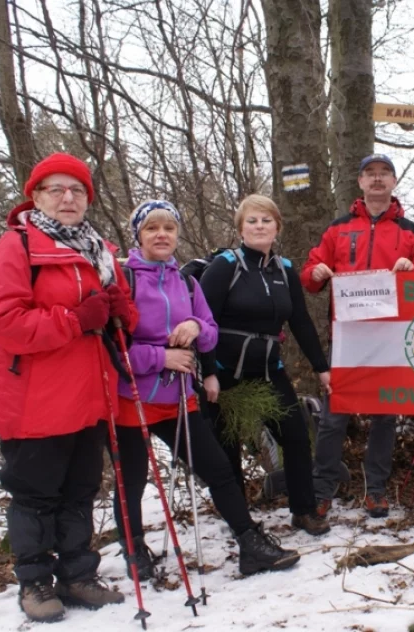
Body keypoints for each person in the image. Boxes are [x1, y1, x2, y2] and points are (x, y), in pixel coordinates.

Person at [0, 153, 133, 622]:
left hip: (89, 395)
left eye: (78, 190)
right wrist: (74, 319)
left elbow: (119, 313)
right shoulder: (17, 246)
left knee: (80, 489)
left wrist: (119, 313)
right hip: (34, 398)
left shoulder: (99, 251)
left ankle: (77, 574)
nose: (68, 198)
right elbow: (5, 322)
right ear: (37, 196)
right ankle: (34, 582)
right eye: (56, 190)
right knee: (35, 494)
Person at [112, 199, 300, 581]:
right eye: (152, 228)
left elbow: (211, 330)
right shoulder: (123, 281)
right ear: (139, 235)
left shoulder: (186, 281)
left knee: (218, 470)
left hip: (179, 398)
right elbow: (111, 347)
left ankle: (250, 543)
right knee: (130, 480)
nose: (162, 235)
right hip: (131, 398)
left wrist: (196, 328)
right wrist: (159, 357)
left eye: (169, 228)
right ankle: (134, 551)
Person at [301, 154, 414, 519]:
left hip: (391, 338)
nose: (377, 180)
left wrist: (412, 271)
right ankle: (322, 488)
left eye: (384, 174)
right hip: (347, 336)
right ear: (359, 182)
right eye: (370, 174)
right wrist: (319, 272)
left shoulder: (409, 231)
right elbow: (310, 274)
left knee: (385, 416)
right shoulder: (338, 228)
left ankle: (375, 488)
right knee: (333, 416)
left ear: (393, 182)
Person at [199, 194, 332, 536]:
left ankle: (303, 510)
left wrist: (321, 366)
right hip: (225, 373)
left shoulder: (284, 270)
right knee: (227, 446)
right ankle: (239, 520)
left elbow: (300, 320)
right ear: (241, 228)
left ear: (277, 226)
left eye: (266, 220)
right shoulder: (224, 266)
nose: (259, 227)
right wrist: (209, 372)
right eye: (252, 221)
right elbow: (201, 320)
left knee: (296, 436)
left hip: (268, 370)